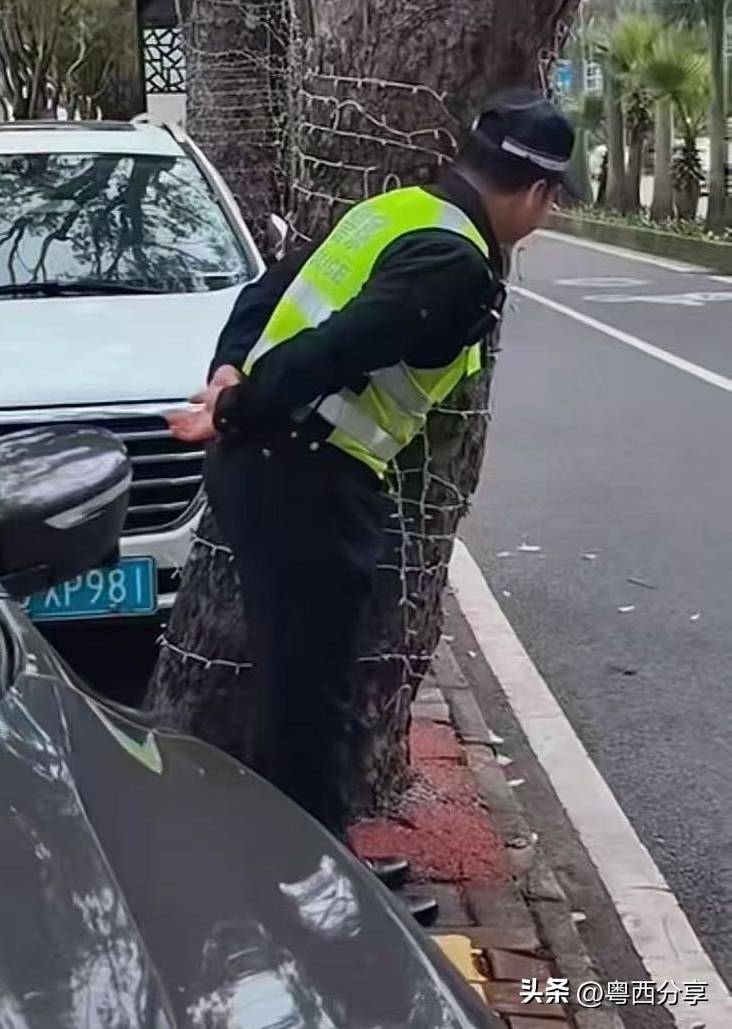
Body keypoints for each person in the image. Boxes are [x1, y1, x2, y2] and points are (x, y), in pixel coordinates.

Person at [167, 89, 576, 859]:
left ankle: (302, 855)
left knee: (301, 680)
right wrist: (236, 405)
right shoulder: (455, 263)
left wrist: (228, 372)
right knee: (313, 692)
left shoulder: (396, 211)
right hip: (305, 479)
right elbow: (336, 346)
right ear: (537, 192)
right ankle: (317, 880)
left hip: (271, 468)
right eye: (552, 205)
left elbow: (272, 288)